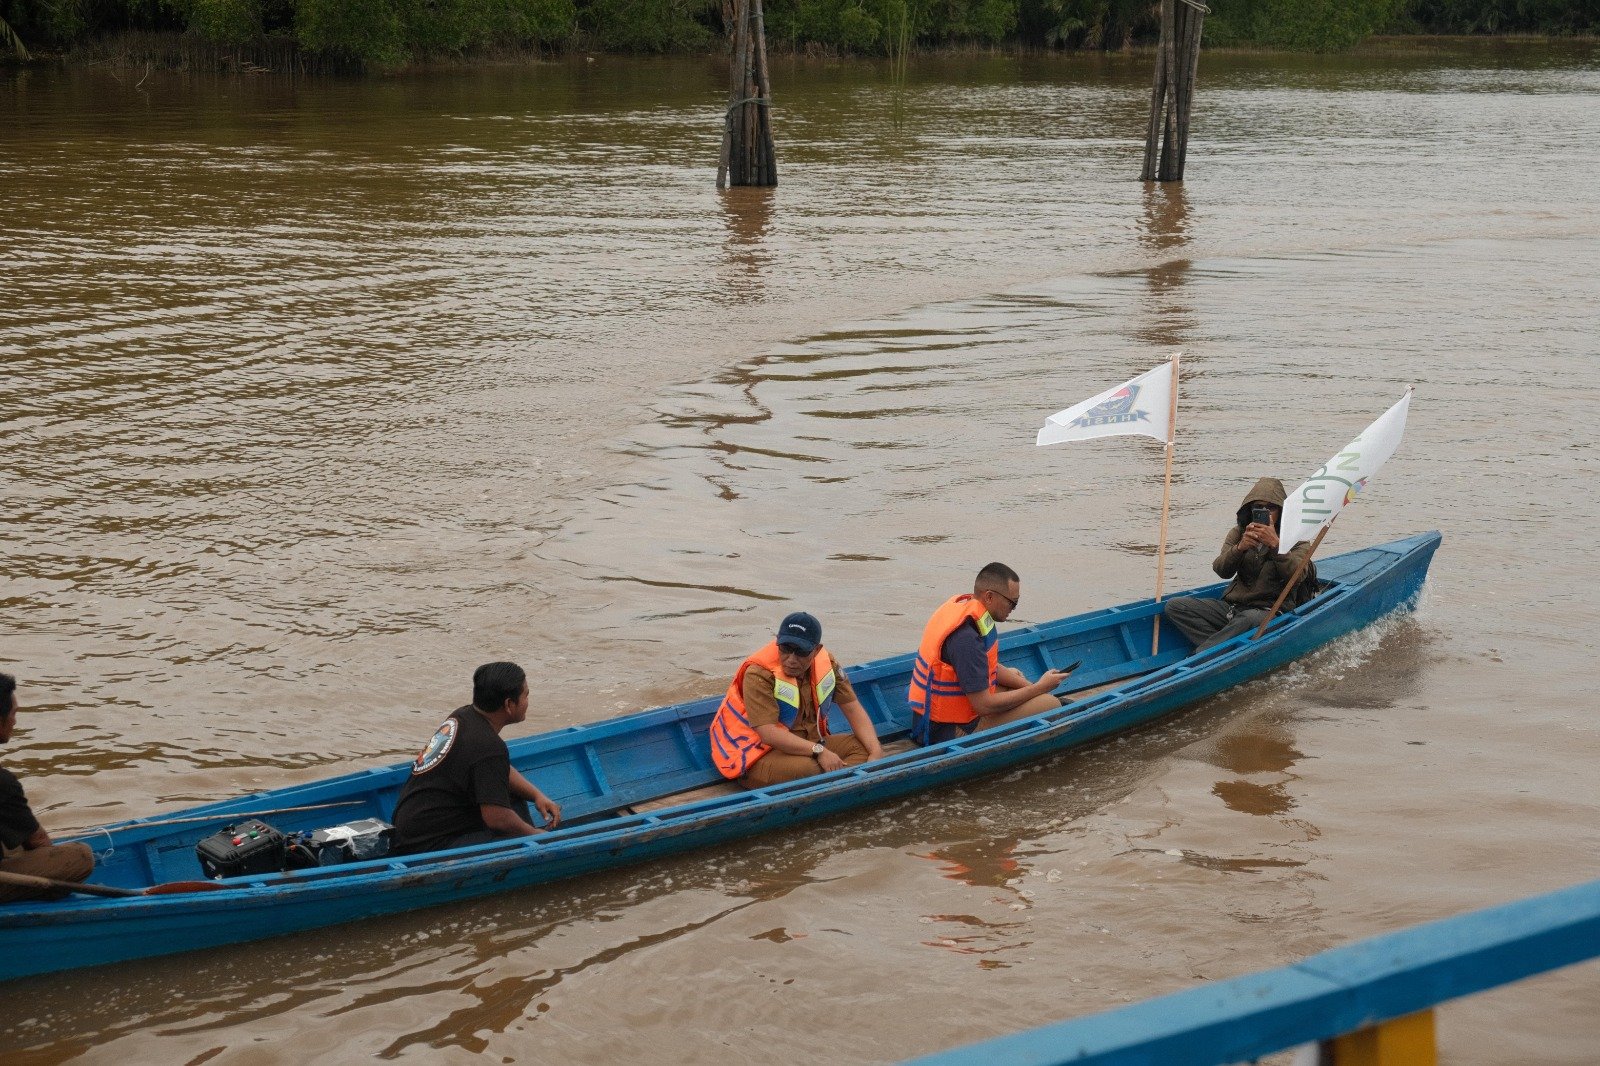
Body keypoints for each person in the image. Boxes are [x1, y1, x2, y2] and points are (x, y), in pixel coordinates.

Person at [389, 662, 562, 856]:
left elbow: (496, 768)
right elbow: (497, 818)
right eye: (525, 695)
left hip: (410, 826)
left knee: (514, 798)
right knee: (514, 831)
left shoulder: (462, 716)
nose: (528, 701)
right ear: (508, 705)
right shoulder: (488, 746)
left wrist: (537, 795)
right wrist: (535, 836)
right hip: (428, 844)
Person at [710, 612, 885, 788]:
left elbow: (852, 707)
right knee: (809, 770)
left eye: (801, 652)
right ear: (777, 640)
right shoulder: (759, 673)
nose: (791, 659)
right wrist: (819, 751)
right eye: (785, 648)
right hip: (757, 754)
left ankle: (840, 785)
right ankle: (840, 783)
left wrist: (876, 751)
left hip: (807, 745)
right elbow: (768, 733)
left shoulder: (827, 663)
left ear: (816, 650)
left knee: (864, 747)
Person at [908, 563, 1073, 746]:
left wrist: (1028, 686)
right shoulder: (966, 638)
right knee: (1050, 705)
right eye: (1012, 603)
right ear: (989, 596)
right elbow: (983, 705)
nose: (1013, 609)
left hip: (938, 716)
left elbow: (988, 665)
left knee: (1016, 676)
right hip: (945, 733)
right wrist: (1039, 689)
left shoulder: (967, 610)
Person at [1163, 477, 1318, 653]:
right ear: (1250, 510)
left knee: (1248, 619)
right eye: (1258, 507)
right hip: (1233, 607)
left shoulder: (1296, 539)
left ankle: (1201, 655)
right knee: (1175, 606)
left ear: (1281, 511)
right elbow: (1221, 570)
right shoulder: (1239, 533)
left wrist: (1276, 546)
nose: (1265, 512)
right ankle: (1223, 647)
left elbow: (1297, 577)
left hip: (1268, 611)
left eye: (1271, 508)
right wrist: (1239, 548)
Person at [0, 672, 95, 903]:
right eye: (13, 714)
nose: (15, 721)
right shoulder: (2, 783)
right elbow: (38, 842)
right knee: (80, 856)